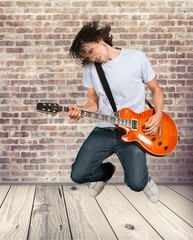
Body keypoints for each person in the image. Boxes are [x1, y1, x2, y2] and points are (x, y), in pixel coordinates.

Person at [68, 20, 163, 203]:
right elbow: (93, 102)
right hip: (104, 129)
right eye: (86, 56)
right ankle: (105, 173)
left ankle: (145, 180)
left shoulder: (136, 58)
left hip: (134, 131)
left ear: (100, 39)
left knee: (136, 184)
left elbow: (156, 90)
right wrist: (81, 110)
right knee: (78, 175)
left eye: (90, 51)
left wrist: (158, 114)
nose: (91, 57)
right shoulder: (89, 67)